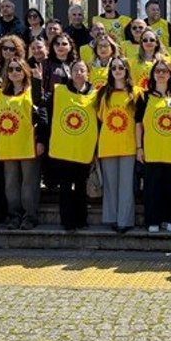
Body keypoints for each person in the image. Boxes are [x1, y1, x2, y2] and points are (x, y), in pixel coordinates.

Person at [0, 57, 46, 230]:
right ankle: (14, 215)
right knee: (11, 184)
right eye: (11, 69)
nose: (14, 72)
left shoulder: (33, 90)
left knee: (29, 184)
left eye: (18, 69)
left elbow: (42, 116)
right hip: (7, 145)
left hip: (28, 144)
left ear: (25, 71)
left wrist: (40, 141)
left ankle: (30, 216)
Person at [46, 60, 98, 230]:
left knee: (81, 185)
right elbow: (43, 108)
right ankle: (67, 221)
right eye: (75, 70)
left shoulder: (96, 95)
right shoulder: (59, 91)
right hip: (64, 148)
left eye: (82, 70)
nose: (78, 73)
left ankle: (81, 219)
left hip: (84, 147)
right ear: (70, 73)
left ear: (88, 74)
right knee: (65, 186)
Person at [135, 59, 171, 233]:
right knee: (152, 188)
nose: (161, 74)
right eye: (158, 71)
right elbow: (138, 124)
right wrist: (139, 147)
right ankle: (152, 220)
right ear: (153, 74)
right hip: (151, 149)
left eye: (165, 71)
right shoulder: (144, 97)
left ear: (170, 74)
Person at [97, 57, 140, 232]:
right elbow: (100, 117)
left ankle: (125, 221)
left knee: (126, 185)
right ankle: (112, 218)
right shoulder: (103, 93)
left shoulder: (136, 92)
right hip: (108, 144)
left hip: (129, 144)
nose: (117, 70)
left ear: (127, 69)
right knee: (110, 185)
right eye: (113, 68)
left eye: (121, 67)